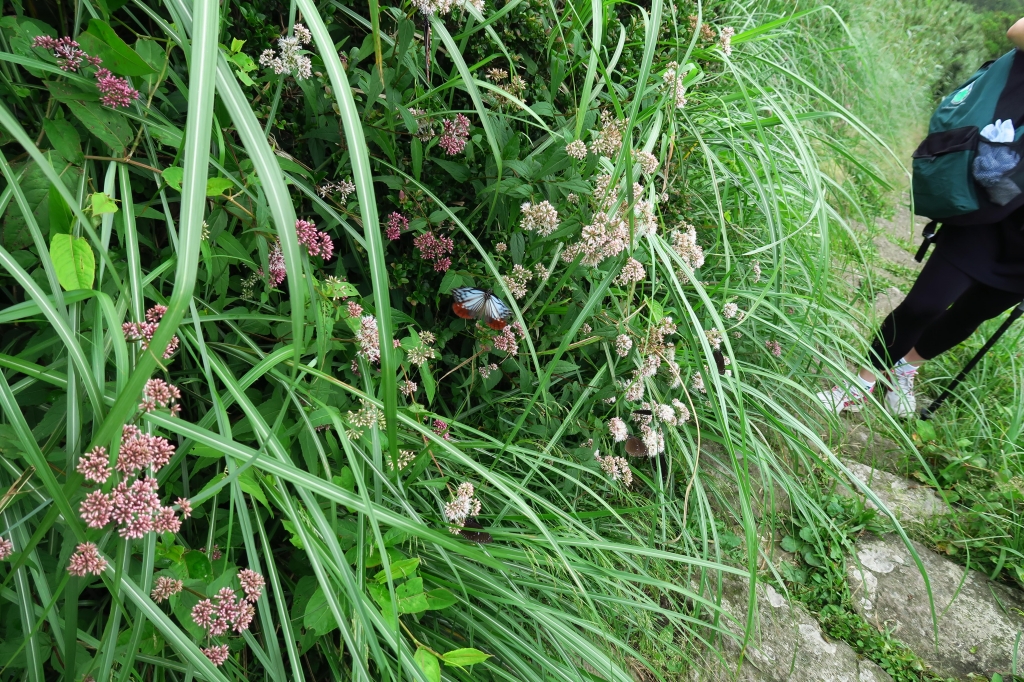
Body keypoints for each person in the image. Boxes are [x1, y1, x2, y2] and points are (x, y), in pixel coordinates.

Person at [817, 18, 1024, 417]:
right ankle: (860, 381)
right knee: (925, 305)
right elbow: (1017, 30)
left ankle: (905, 368)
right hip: (993, 203)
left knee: (971, 316)